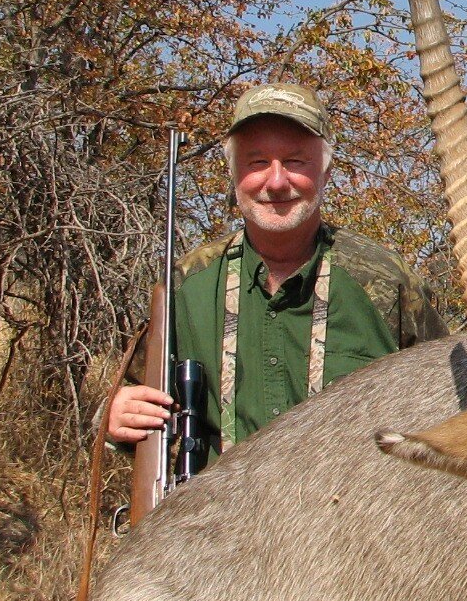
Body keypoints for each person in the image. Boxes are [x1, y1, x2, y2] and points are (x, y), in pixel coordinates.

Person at [108, 83, 448, 462]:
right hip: (216, 516)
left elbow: (447, 401)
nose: (276, 181)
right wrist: (117, 414)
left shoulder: (389, 281)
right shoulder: (187, 284)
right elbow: (137, 401)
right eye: (257, 162)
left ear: (325, 169)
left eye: (295, 161)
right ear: (233, 172)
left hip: (352, 514)